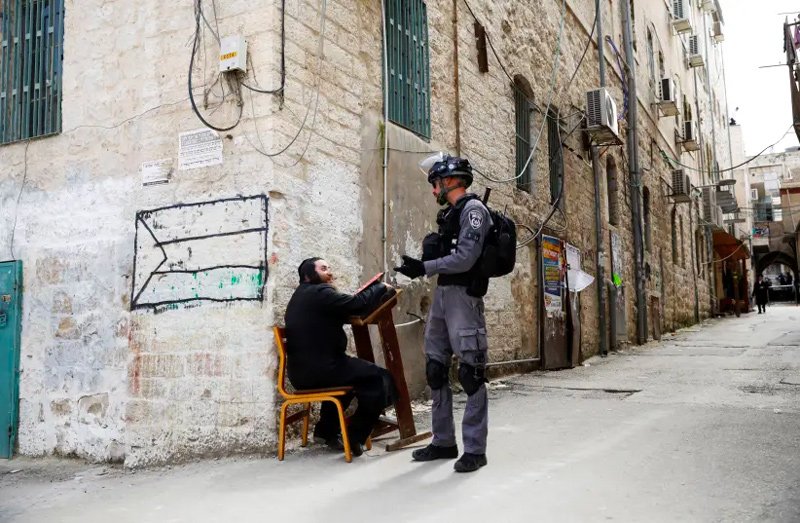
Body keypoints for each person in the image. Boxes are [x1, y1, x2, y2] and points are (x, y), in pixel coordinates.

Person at [395, 153, 492, 473]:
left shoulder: (474, 211)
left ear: (450, 180)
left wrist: (425, 267)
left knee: (471, 373)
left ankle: (475, 449)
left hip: (464, 297)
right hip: (443, 295)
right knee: (435, 368)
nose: (433, 190)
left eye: (436, 183)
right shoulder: (450, 215)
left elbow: (465, 258)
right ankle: (443, 441)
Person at [284, 257, 396, 456]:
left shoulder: (301, 296)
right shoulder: (320, 292)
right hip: (323, 369)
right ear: (308, 276)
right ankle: (354, 437)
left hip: (303, 373)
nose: (330, 273)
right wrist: (380, 287)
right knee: (378, 378)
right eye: (324, 269)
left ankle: (325, 431)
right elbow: (356, 304)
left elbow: (345, 308)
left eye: (329, 268)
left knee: (355, 380)